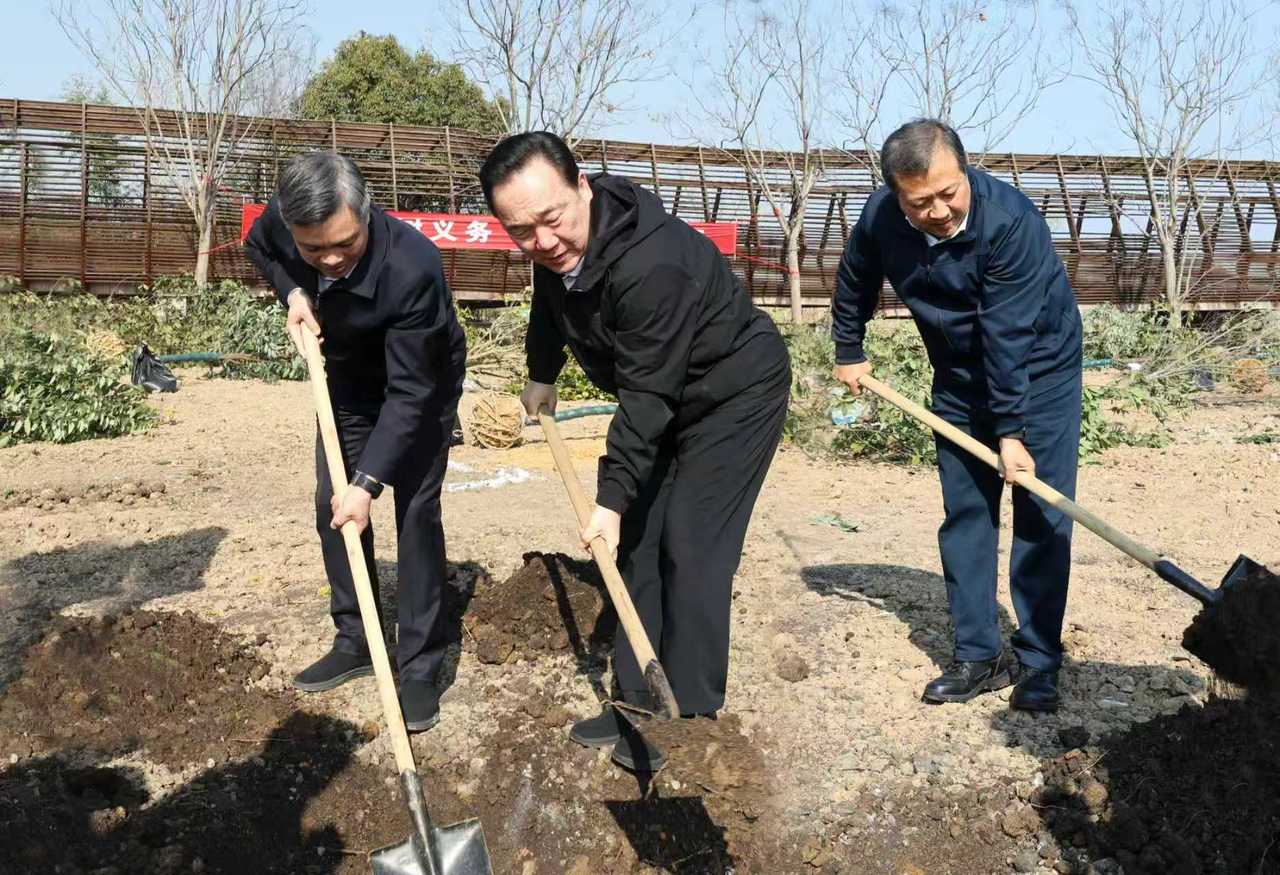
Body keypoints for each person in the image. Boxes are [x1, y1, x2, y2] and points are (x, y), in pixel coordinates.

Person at [479, 132, 791, 771]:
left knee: (693, 543)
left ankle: (690, 719)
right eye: (521, 231)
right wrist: (542, 372)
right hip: (662, 390)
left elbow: (646, 398)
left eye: (552, 219)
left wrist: (612, 498)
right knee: (638, 546)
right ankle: (636, 701)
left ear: (582, 187)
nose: (542, 240)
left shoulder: (654, 264)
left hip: (733, 394)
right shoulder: (556, 245)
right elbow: (551, 295)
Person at [832, 119, 1083, 712]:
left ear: (966, 171)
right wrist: (849, 348)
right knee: (966, 514)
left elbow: (1006, 335)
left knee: (1041, 516)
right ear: (896, 194)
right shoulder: (881, 217)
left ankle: (1039, 660)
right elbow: (855, 275)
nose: (939, 211)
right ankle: (978, 656)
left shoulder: (1011, 223)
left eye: (949, 193)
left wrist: (1011, 432)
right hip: (958, 380)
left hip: (1039, 375)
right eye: (920, 203)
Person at [244, 151, 467, 731]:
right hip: (344, 380)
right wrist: (294, 292)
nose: (331, 258)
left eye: (345, 243)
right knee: (333, 507)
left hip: (419, 383)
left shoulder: (413, 266)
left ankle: (420, 668)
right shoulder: (284, 221)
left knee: (415, 512)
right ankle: (357, 638)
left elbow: (410, 394)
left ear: (366, 212)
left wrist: (368, 484)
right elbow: (259, 248)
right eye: (314, 249)